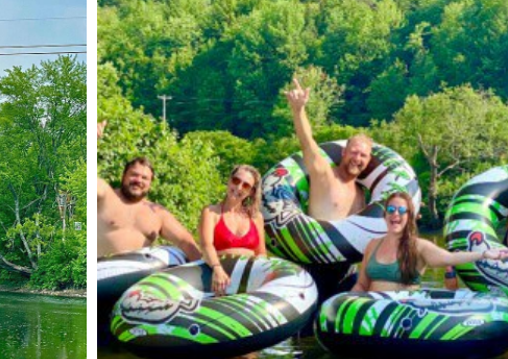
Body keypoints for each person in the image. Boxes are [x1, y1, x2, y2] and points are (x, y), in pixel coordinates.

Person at [353, 191, 508, 293]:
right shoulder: (373, 244)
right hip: (372, 316)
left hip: (400, 316)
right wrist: (344, 303)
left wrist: (484, 254)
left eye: (402, 211)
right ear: (385, 214)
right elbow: (361, 285)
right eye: (391, 210)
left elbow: (450, 258)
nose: (396, 214)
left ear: (409, 217)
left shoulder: (418, 246)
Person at [96, 121, 203, 260]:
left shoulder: (157, 213)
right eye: (134, 175)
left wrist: (206, 270)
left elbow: (185, 242)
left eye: (144, 178)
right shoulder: (105, 194)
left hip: (137, 278)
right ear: (123, 176)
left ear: (150, 183)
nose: (138, 180)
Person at [283, 76, 373, 222]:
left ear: (369, 160)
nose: (357, 158)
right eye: (354, 152)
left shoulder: (361, 194)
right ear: (344, 152)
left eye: (363, 155)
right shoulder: (324, 174)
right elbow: (307, 142)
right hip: (315, 243)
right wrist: (298, 110)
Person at [198, 165, 268, 295]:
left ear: (251, 192)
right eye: (236, 181)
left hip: (249, 280)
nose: (239, 187)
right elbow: (206, 245)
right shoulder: (211, 212)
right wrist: (217, 269)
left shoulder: (256, 217)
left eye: (246, 185)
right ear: (229, 180)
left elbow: (261, 253)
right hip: (219, 278)